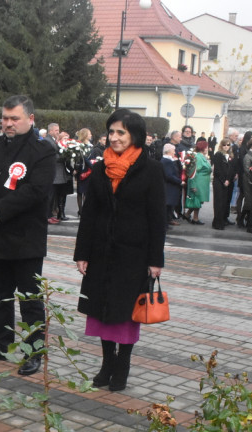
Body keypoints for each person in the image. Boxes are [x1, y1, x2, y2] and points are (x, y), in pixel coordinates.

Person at [74, 109, 166, 392]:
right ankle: (106, 364)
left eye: (120, 133)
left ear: (134, 136)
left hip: (134, 255)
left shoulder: (151, 169)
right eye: (111, 132)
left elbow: (157, 218)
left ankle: (122, 364)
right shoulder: (101, 167)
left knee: (126, 312)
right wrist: (82, 252)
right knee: (101, 310)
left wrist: (155, 260)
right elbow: (89, 212)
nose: (113, 138)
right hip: (102, 252)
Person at [0, 94, 55, 377]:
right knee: (0, 296)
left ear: (30, 119)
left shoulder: (43, 150)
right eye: (4, 118)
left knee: (29, 298)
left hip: (25, 238)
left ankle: (34, 351)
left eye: (14, 118)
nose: (8, 124)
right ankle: (0, 344)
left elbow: (36, 192)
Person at [45, 123, 72, 224]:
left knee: (53, 196)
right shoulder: (48, 141)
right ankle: (47, 216)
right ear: (50, 131)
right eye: (56, 130)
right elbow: (52, 156)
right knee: (50, 196)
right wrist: (65, 156)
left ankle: (50, 215)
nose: (58, 132)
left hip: (56, 173)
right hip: (52, 173)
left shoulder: (52, 140)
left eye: (58, 130)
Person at [183, 139, 211, 225]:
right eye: (206, 147)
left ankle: (187, 215)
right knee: (197, 200)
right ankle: (195, 218)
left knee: (198, 200)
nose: (207, 149)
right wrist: (193, 185)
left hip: (202, 182)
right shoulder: (198, 157)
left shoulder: (202, 156)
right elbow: (194, 172)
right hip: (198, 182)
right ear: (202, 148)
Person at [211, 139, 235, 230]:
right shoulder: (218, 155)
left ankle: (221, 221)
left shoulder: (230, 156)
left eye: (228, 145)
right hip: (218, 182)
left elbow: (231, 169)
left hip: (226, 182)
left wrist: (228, 180)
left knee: (224, 202)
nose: (226, 146)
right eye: (224, 145)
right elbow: (217, 170)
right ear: (221, 145)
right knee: (218, 203)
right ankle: (217, 223)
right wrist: (223, 180)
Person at [161, 143, 183, 226]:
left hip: (170, 187)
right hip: (169, 187)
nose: (174, 152)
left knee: (170, 206)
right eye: (173, 150)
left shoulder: (168, 160)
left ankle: (168, 220)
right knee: (167, 205)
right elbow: (169, 175)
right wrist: (179, 181)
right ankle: (165, 223)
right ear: (169, 151)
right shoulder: (167, 161)